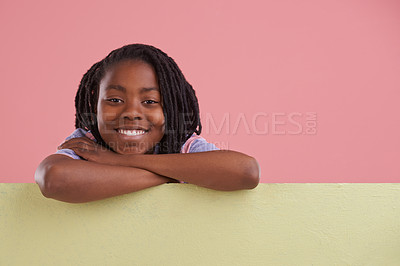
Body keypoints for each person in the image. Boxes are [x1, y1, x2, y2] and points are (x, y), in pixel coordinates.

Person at [35, 44, 260, 203]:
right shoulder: (88, 143)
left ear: (170, 109)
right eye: (115, 100)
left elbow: (246, 171)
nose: (131, 113)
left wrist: (117, 161)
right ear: (95, 104)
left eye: (150, 101)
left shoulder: (179, 144)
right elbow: (55, 179)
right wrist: (176, 174)